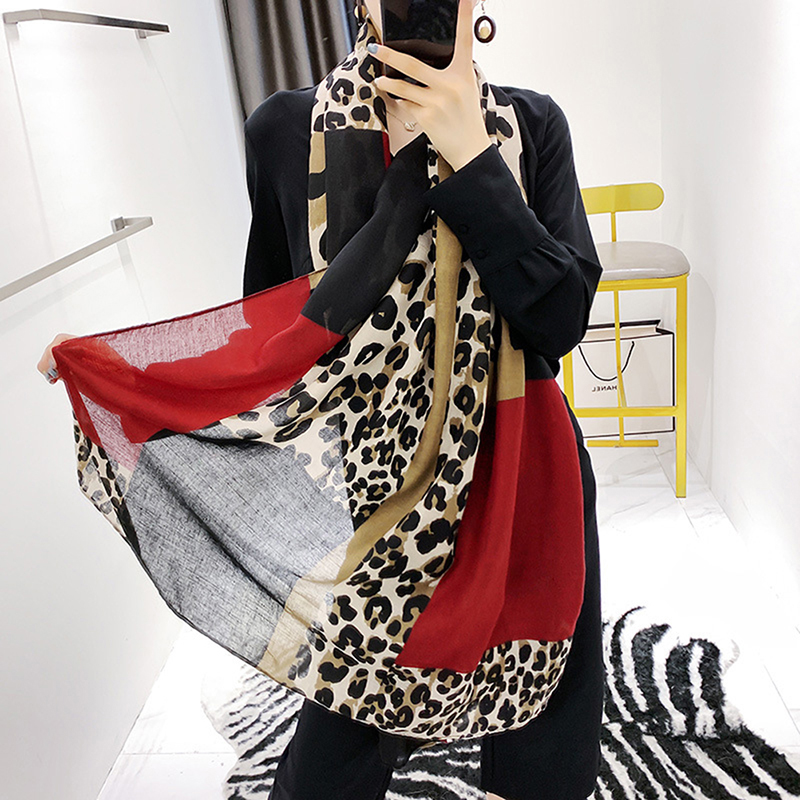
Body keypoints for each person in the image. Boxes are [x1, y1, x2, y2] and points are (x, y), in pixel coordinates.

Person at [38, 1, 604, 798]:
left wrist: (472, 155)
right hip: (375, 493)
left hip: (526, 479)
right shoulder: (287, 131)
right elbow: (273, 335)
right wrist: (127, 372)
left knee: (544, 738)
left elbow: (559, 322)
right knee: (340, 750)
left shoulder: (533, 125)